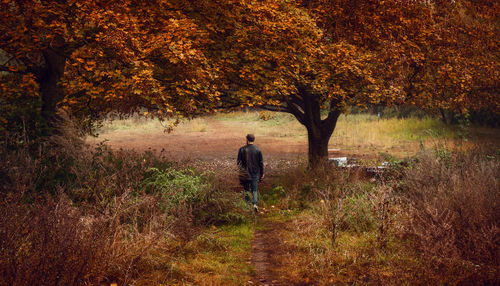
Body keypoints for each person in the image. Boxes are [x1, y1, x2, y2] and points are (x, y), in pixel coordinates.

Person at [237, 134, 264, 213]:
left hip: (245, 173)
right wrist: (262, 173)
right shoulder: (258, 150)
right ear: (253, 140)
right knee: (254, 190)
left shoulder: (241, 149)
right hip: (255, 173)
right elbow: (261, 163)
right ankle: (255, 204)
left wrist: (241, 172)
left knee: (246, 190)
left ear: (247, 139)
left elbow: (238, 163)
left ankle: (247, 206)